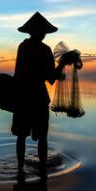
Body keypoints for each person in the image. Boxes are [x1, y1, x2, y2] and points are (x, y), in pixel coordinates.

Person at [12, 12, 66, 170]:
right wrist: (63, 63)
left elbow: (18, 74)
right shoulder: (44, 49)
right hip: (38, 98)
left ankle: (20, 170)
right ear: (41, 32)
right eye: (42, 31)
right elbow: (50, 78)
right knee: (42, 137)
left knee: (21, 137)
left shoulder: (22, 47)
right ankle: (43, 170)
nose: (43, 34)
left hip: (22, 98)